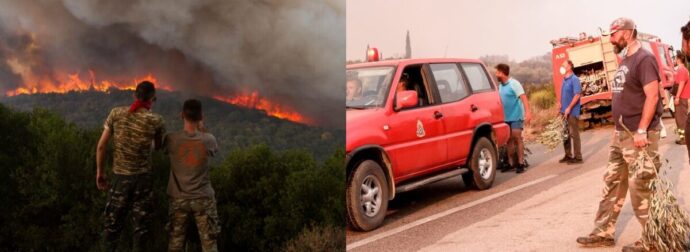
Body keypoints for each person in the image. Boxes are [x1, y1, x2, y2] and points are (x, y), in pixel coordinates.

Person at [576, 17, 663, 252]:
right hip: (620, 135)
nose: (611, 39)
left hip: (638, 135)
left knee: (640, 186)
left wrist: (642, 129)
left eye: (613, 35)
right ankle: (603, 233)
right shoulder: (626, 59)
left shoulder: (645, 59)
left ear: (625, 33)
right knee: (612, 183)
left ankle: (655, 240)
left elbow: (653, 97)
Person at [96, 81, 166, 252]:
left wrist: (100, 172)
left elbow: (101, 146)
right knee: (141, 233)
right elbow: (157, 147)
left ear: (134, 95)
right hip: (143, 181)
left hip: (120, 180)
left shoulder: (116, 114)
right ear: (152, 99)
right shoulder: (156, 120)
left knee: (111, 230)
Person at [164, 99, 220, 252]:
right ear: (201, 116)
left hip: (178, 199)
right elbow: (213, 149)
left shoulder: (171, 139)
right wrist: (202, 129)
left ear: (181, 115)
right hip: (203, 198)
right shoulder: (208, 139)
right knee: (209, 245)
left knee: (175, 244)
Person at [496, 63, 532, 173]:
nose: (496, 74)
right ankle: (511, 164)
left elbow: (524, 98)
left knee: (517, 138)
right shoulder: (501, 86)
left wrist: (528, 113)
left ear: (502, 73)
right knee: (508, 140)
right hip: (506, 118)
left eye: (497, 72)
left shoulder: (514, 83)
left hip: (516, 116)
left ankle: (520, 163)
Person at [558, 60, 583, 164]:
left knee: (574, 134)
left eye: (564, 65)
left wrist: (569, 108)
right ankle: (568, 155)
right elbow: (564, 95)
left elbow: (577, 95)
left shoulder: (574, 79)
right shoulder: (564, 79)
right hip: (564, 111)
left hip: (572, 112)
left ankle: (578, 157)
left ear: (569, 67)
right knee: (565, 134)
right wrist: (560, 105)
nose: (562, 66)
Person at [673, 52, 689, 145]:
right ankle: (684, 138)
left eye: (675, 58)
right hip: (683, 97)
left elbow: (681, 83)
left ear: (678, 59)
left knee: (681, 120)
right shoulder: (683, 69)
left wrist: (677, 97)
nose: (674, 60)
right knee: (681, 119)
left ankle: (684, 139)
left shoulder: (681, 70)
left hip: (682, 98)